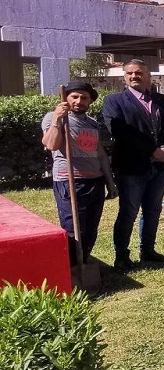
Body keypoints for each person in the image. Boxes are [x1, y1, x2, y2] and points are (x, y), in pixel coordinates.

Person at [102, 59, 164, 269]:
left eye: (139, 73)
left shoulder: (162, 100)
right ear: (124, 76)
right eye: (130, 73)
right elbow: (119, 131)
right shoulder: (114, 101)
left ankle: (148, 250)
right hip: (131, 167)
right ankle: (122, 255)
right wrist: (150, 150)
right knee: (129, 211)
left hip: (158, 166)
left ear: (148, 76)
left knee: (153, 210)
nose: (134, 76)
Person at [40, 81, 117, 268]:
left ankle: (83, 263)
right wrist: (58, 119)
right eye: (75, 96)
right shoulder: (53, 117)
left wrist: (110, 181)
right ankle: (70, 269)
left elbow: (99, 153)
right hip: (70, 180)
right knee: (73, 229)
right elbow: (51, 145)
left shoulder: (91, 123)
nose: (79, 101)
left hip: (94, 181)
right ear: (66, 98)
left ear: (90, 101)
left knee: (90, 229)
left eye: (84, 98)